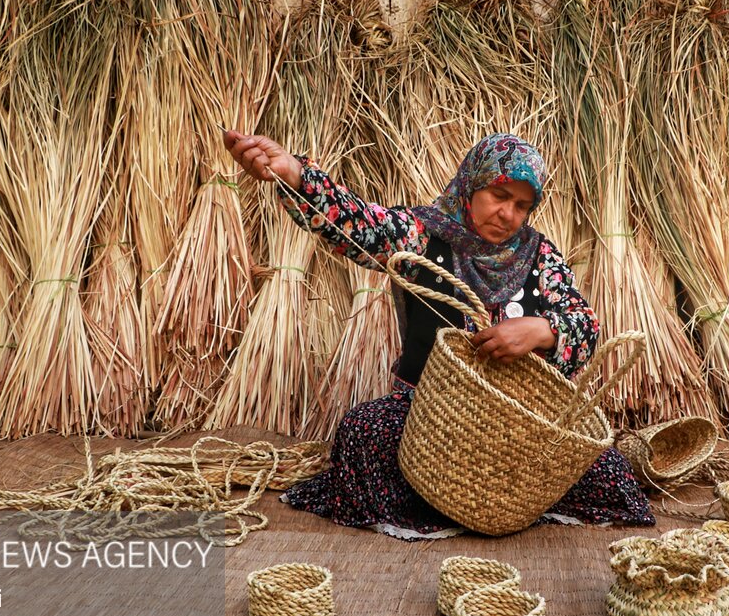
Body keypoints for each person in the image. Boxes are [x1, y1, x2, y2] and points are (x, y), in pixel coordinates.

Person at [224, 129, 654, 540]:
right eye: (499, 195)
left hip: (515, 428)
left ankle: (482, 503)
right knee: (362, 432)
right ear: (471, 185)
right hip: (427, 417)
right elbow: (356, 224)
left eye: (522, 206)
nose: (508, 214)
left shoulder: (539, 255)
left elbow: (585, 325)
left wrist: (541, 329)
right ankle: (476, 504)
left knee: (608, 471)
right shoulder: (422, 235)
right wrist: (295, 174)